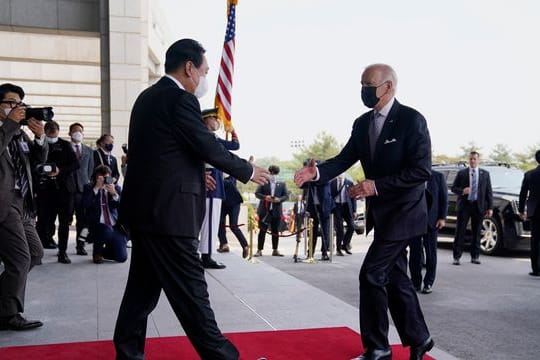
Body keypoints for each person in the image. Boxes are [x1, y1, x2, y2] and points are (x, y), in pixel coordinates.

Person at [113, 38, 270, 360]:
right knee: (192, 293)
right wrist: (247, 169)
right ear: (189, 67)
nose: (205, 77)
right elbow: (204, 144)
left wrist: (198, 174)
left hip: (148, 210)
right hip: (170, 213)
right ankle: (224, 357)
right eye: (205, 71)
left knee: (140, 293)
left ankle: (128, 353)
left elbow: (165, 153)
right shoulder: (178, 99)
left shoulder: (147, 97)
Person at [294, 64, 434, 360]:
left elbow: (421, 171)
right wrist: (315, 173)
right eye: (361, 84)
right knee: (395, 277)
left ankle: (378, 347)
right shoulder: (362, 123)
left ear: (388, 87)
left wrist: (376, 186)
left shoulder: (412, 120)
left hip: (405, 211)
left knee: (372, 273)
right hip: (382, 214)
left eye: (369, 84)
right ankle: (420, 338)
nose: (364, 91)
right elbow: (344, 158)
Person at [0, 82, 46, 330]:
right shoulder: (7, 130)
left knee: (36, 254)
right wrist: (9, 125)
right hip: (3, 204)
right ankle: (9, 314)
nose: (16, 108)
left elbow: (37, 161)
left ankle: (4, 302)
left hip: (23, 203)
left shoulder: (18, 132)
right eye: (10, 103)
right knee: (19, 258)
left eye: (20, 104)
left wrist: (39, 137)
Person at [199, 107, 240, 269]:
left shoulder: (212, 137)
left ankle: (204, 254)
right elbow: (234, 146)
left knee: (210, 219)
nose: (218, 122)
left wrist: (232, 129)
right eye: (215, 119)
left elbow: (235, 146)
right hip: (210, 179)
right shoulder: (207, 137)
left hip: (213, 178)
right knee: (210, 219)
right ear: (206, 120)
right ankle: (206, 256)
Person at [35, 120, 79, 263]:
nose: (52, 137)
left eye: (54, 134)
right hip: (45, 190)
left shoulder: (66, 145)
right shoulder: (39, 144)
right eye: (50, 134)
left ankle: (62, 252)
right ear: (45, 132)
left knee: (64, 222)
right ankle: (39, 252)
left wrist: (60, 170)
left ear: (58, 132)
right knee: (43, 221)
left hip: (65, 190)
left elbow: (75, 164)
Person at [409, 169, 448, 294]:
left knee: (431, 253)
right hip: (415, 221)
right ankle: (415, 282)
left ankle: (428, 283)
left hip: (432, 221)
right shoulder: (413, 175)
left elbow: (444, 198)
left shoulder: (438, 177)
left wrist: (442, 217)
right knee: (415, 253)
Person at [451, 151, 493, 265]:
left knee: (477, 232)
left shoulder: (485, 174)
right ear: (468, 160)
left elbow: (489, 192)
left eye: (474, 159)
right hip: (465, 206)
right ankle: (457, 257)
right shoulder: (462, 173)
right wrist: (462, 191)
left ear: (478, 160)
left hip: (478, 206)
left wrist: (490, 207)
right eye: (471, 159)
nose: (472, 161)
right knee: (460, 231)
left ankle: (475, 256)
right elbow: (453, 188)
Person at [82, 165, 127, 264]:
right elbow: (85, 204)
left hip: (114, 225)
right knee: (107, 230)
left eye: (107, 177)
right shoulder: (89, 187)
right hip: (98, 225)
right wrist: (96, 188)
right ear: (96, 177)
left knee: (122, 257)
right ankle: (97, 252)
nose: (105, 180)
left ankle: (103, 252)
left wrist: (114, 193)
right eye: (101, 178)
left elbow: (122, 206)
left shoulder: (115, 187)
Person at [65, 122, 94, 256]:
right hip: (68, 190)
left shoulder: (88, 150)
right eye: (75, 131)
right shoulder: (64, 148)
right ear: (69, 133)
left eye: (80, 131)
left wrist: (86, 183)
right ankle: (62, 249)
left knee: (83, 221)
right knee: (66, 219)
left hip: (83, 190)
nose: (78, 133)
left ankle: (80, 245)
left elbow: (90, 169)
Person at [254, 165, 289, 257]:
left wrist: (279, 199)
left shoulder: (282, 184)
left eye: (275, 173)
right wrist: (266, 197)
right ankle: (259, 250)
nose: (273, 175)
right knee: (262, 231)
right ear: (269, 173)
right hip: (264, 210)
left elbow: (286, 196)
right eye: (271, 173)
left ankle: (275, 250)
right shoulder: (263, 182)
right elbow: (257, 194)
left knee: (275, 231)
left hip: (276, 210)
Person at [302, 166, 334, 261]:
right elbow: (302, 185)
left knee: (325, 231)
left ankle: (324, 253)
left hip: (324, 208)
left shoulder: (324, 178)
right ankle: (310, 253)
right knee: (312, 232)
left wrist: (314, 177)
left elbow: (323, 183)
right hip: (313, 208)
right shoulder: (309, 182)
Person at [518, 150, 540, 276]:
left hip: (535, 211)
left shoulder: (529, 174)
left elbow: (523, 194)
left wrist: (521, 211)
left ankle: (536, 269)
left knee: (535, 240)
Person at [217, 175, 250, 259]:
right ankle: (224, 245)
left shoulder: (230, 175)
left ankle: (245, 246)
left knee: (233, 226)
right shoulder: (219, 175)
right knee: (220, 223)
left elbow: (229, 183)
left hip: (233, 203)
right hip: (224, 203)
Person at [331, 174, 356, 256]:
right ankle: (338, 249)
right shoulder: (332, 183)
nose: (341, 175)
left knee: (352, 226)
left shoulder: (349, 183)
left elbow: (353, 197)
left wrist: (354, 210)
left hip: (347, 207)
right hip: (337, 207)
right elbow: (330, 195)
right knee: (340, 229)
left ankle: (345, 244)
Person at [292, 193, 306, 262]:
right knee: (298, 226)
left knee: (302, 225)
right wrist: (295, 214)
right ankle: (298, 235)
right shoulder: (296, 203)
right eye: (299, 197)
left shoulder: (304, 203)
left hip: (302, 215)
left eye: (301, 197)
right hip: (297, 215)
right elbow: (294, 209)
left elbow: (305, 209)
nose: (300, 198)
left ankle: (302, 233)